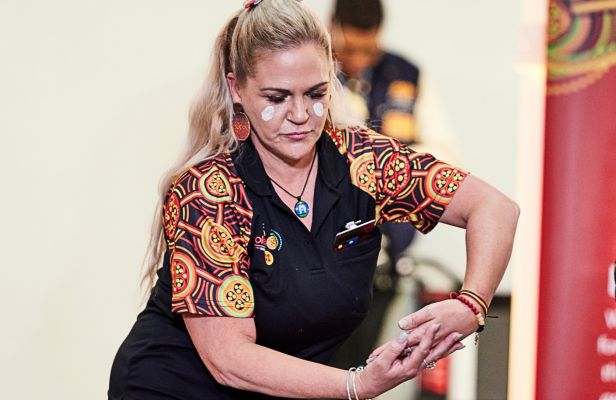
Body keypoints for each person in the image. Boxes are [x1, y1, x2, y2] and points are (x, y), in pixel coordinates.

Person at [108, 1, 519, 399]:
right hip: (174, 388)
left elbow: (495, 208)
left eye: (316, 92)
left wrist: (471, 304)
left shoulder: (365, 160)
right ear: (237, 88)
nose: (301, 114)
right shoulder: (210, 191)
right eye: (277, 97)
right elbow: (229, 360)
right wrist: (356, 385)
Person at [329, 0, 458, 367]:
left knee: (359, 364)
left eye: (366, 50)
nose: (357, 60)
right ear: (331, 27)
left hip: (385, 253)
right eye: (349, 50)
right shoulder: (310, 75)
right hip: (321, 247)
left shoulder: (407, 74)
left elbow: (445, 154)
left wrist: (387, 162)